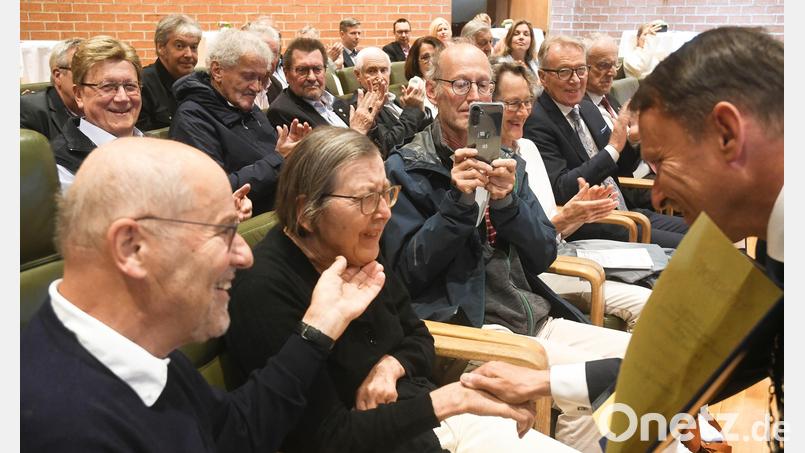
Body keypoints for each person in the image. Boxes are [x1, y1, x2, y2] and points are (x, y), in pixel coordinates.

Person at [225, 126, 620, 453]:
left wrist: (390, 366)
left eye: (386, 193)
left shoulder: (354, 250)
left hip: (424, 422)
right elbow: (327, 438)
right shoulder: (265, 290)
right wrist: (448, 401)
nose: (383, 212)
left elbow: (417, 338)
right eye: (366, 198)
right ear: (305, 211)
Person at [21, 136, 386, 452]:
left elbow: (233, 432)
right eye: (224, 231)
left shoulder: (139, 348)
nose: (244, 255)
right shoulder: (61, 429)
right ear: (132, 248)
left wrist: (318, 327)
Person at [381, 42, 631, 452]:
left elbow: (544, 253)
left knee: (634, 368)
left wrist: (506, 202)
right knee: (594, 384)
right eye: (461, 84)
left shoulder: (507, 157)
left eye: (484, 85)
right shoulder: (406, 168)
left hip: (535, 314)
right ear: (432, 91)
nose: (475, 96)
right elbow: (408, 274)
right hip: (473, 326)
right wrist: (457, 206)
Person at [629, 26, 783, 440]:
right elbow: (745, 353)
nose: (657, 197)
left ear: (727, 134)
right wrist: (552, 382)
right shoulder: (776, 234)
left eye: (660, 163)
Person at [493, 61, 650, 331]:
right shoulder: (491, 166)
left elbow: (548, 220)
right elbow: (524, 245)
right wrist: (566, 217)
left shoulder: (527, 147)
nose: (523, 112)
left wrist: (579, 212)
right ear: (489, 106)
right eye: (513, 104)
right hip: (542, 270)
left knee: (657, 271)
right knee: (647, 302)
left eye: (528, 102)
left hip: (562, 250)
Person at [523, 35, 688, 248]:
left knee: (702, 230)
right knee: (691, 247)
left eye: (581, 70)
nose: (575, 79)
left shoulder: (586, 106)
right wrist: (612, 148)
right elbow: (561, 189)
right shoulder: (537, 121)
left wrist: (633, 139)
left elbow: (620, 168)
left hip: (625, 210)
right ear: (543, 77)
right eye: (564, 72)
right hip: (594, 224)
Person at [170, 28, 309, 215]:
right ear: (217, 71)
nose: (257, 87)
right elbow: (216, 190)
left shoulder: (244, 105)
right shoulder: (191, 118)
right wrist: (278, 159)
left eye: (261, 78)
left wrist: (292, 150)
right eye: (249, 76)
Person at [50, 36, 143, 192]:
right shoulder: (59, 166)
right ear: (79, 94)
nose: (122, 97)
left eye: (130, 86)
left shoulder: (156, 147)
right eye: (108, 87)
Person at [584, 33, 653, 194]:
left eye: (615, 65)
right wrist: (632, 138)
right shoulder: (582, 109)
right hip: (628, 188)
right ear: (584, 67)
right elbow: (613, 166)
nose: (613, 73)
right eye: (603, 65)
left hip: (643, 172)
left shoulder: (608, 99)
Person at [266, 37, 379, 134]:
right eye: (302, 70)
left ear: (325, 70)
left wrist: (371, 124)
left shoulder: (331, 98)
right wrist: (357, 130)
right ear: (286, 74)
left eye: (317, 69)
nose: (311, 77)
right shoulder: (282, 111)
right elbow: (322, 158)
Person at [350, 47, 431, 157]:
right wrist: (412, 111)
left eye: (383, 70)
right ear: (358, 74)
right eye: (372, 71)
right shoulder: (359, 108)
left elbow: (427, 132)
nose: (379, 77)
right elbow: (388, 147)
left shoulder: (394, 98)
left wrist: (420, 108)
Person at [136, 14, 202, 131]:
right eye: (179, 46)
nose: (189, 55)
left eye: (194, 47)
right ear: (161, 47)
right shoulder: (141, 84)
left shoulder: (200, 83)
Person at [20, 38, 83, 141]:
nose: (91, 78)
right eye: (81, 71)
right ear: (58, 76)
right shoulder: (28, 110)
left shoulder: (104, 104)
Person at [243, 21, 284, 109]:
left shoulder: (276, 86)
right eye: (264, 53)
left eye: (274, 54)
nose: (269, 60)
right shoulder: (240, 87)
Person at [404, 36, 444, 117]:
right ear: (416, 63)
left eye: (436, 56)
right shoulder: (416, 86)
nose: (432, 61)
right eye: (425, 57)